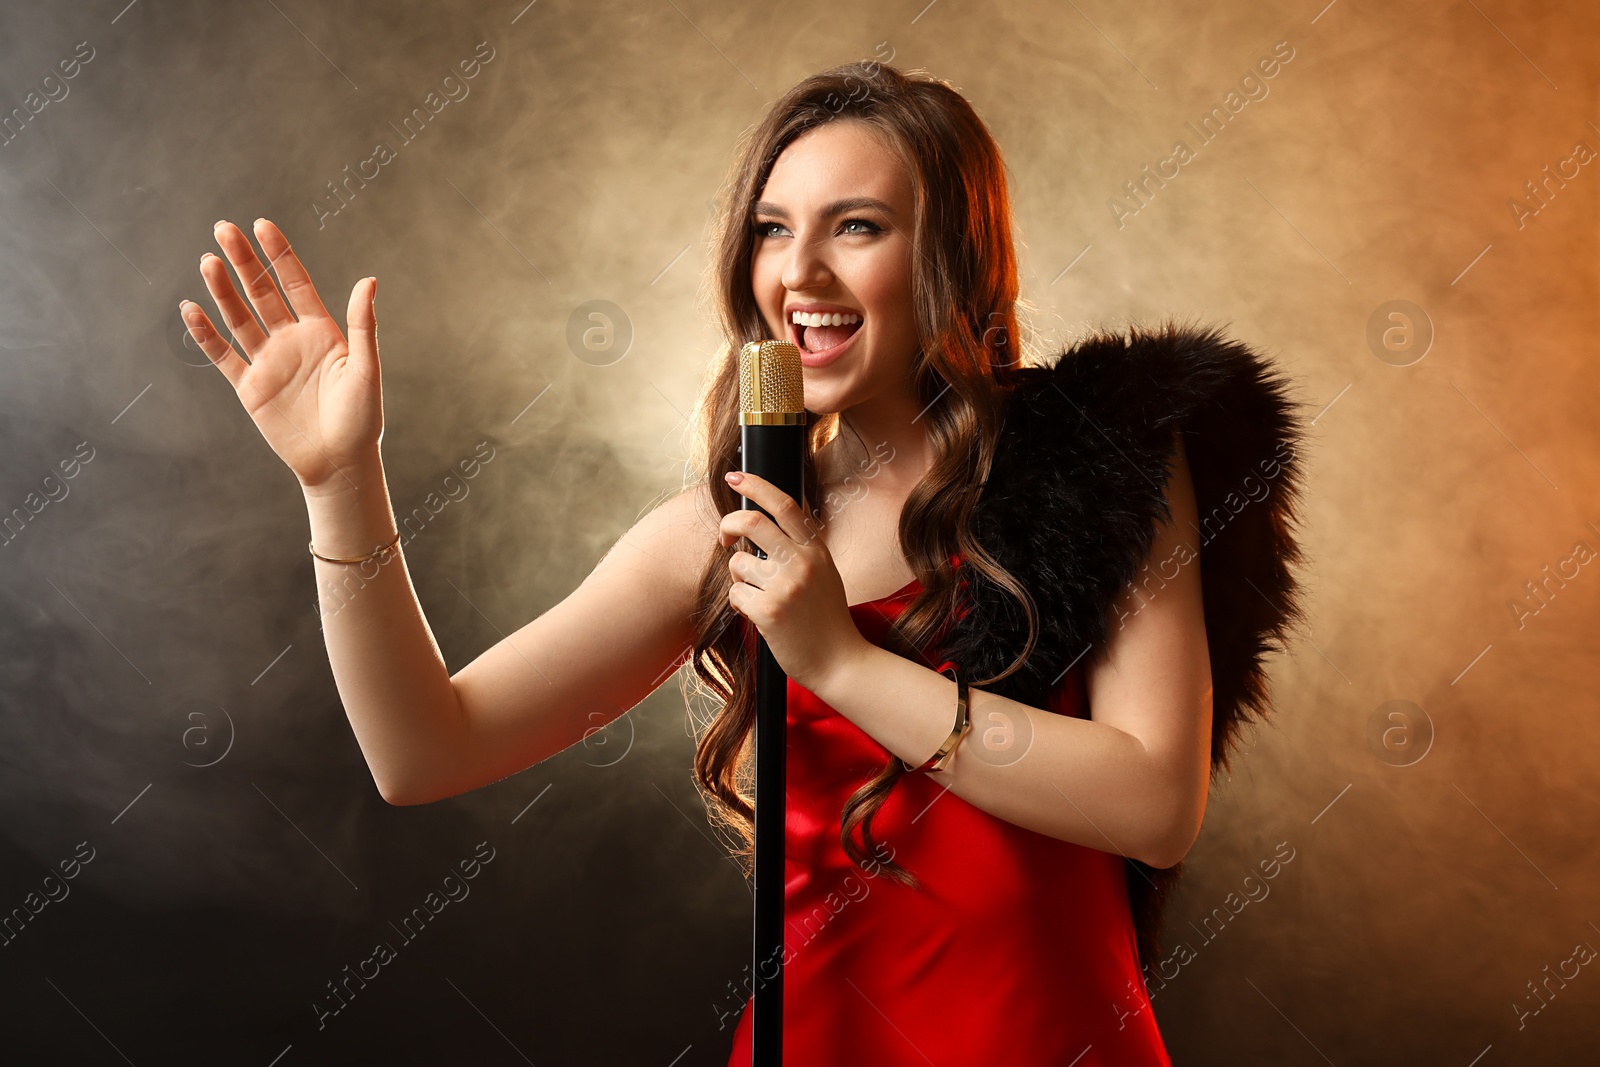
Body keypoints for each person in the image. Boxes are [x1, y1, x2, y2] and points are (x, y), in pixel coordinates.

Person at [181, 59, 1307, 1067]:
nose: (799, 271)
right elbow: (420, 748)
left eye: (856, 226)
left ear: (952, 256)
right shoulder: (718, 535)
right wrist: (339, 480)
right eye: (773, 228)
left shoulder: (1108, 455)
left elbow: (1156, 801)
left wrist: (841, 662)